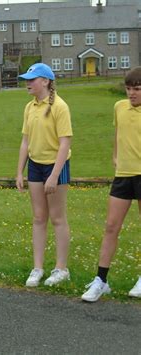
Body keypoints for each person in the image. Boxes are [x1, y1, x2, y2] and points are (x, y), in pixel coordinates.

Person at [81, 67, 141, 302]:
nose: (131, 94)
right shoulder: (119, 107)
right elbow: (118, 134)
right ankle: (101, 280)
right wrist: (116, 157)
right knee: (111, 226)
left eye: (137, 89)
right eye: (128, 89)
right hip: (123, 176)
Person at [16, 63, 72, 287]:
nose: (28, 83)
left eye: (32, 79)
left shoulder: (60, 106)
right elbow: (25, 141)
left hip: (55, 166)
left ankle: (61, 268)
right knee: (39, 217)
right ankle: (37, 267)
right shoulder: (29, 107)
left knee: (57, 218)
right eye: (27, 79)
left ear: (46, 81)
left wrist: (54, 175)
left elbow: (65, 142)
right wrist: (19, 171)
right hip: (35, 165)